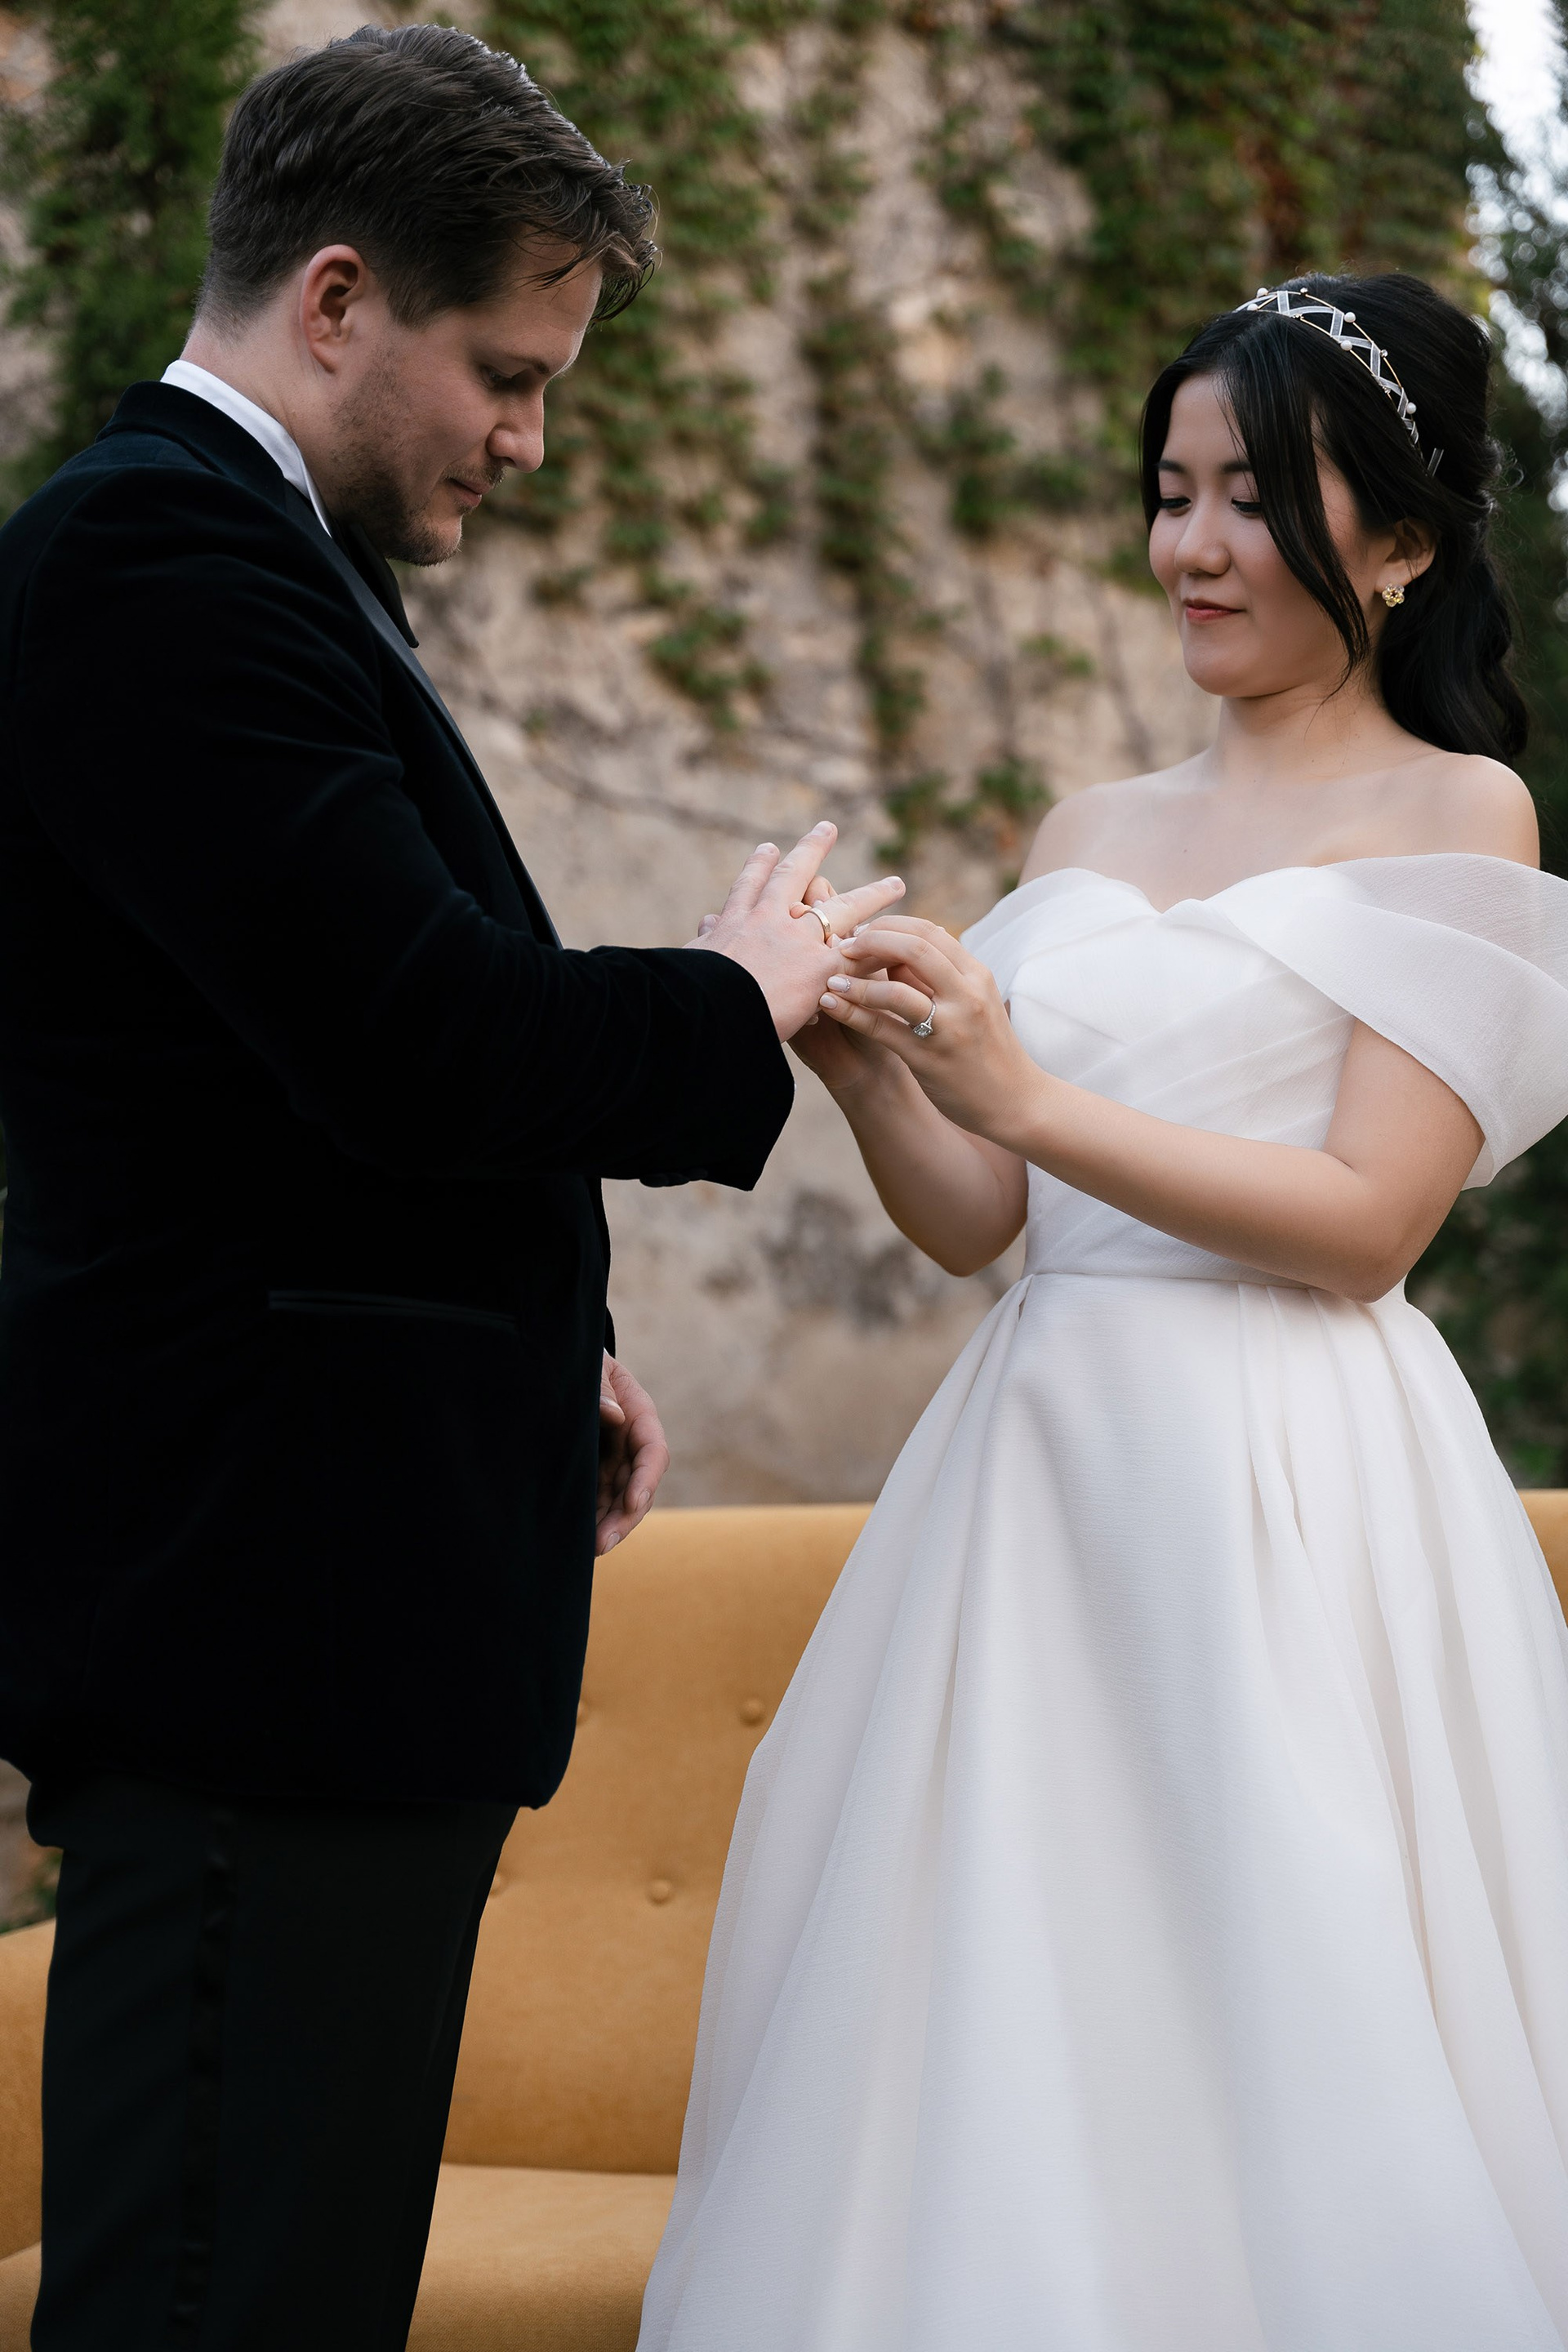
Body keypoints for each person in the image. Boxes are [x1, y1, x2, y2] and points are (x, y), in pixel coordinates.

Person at [0, 26, 901, 2349]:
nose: (528, 440)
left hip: (329, 1616)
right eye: (505, 373)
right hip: (260, 1635)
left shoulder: (253, 568)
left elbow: (270, 1088)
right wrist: (736, 995)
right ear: (334, 300)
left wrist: (537, 1358)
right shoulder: (157, 562)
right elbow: (418, 1037)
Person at [638, 273, 1568, 2351]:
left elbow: (1366, 1226)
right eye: (1173, 491)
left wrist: (1027, 1090)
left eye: (1256, 498)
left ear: (1403, 544)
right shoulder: (1090, 827)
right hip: (1035, 1478)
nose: (1194, 548)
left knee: (1280, 1964)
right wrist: (872, 1067)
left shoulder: (1458, 810)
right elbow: (991, 1221)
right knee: (995, 1984)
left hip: (1287, 1482)